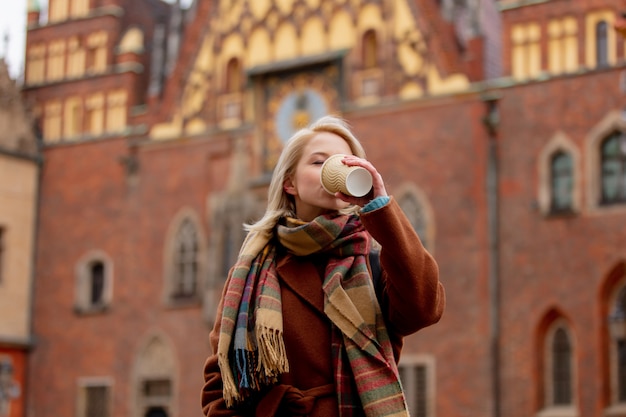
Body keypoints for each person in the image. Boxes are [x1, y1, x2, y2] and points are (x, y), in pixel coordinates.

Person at [201, 115, 445, 417]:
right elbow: (220, 382)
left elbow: (424, 308)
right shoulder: (254, 269)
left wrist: (380, 206)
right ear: (289, 182)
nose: (334, 169)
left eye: (346, 163)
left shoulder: (372, 260)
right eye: (319, 162)